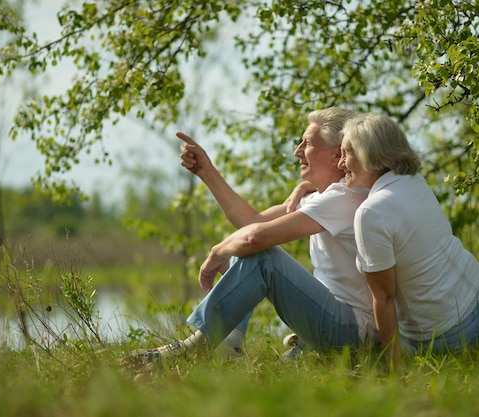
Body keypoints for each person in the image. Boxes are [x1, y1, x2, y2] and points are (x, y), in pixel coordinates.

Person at [132, 107, 375, 364]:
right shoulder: (321, 198)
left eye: (307, 143)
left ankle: (196, 348)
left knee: (261, 254)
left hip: (351, 333)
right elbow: (252, 222)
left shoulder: (344, 198)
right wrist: (206, 171)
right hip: (336, 321)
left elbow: (255, 237)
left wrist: (218, 251)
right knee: (252, 243)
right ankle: (227, 346)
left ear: (337, 153)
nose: (297, 151)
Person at [336, 112, 479, 367]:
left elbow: (384, 299)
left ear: (370, 152)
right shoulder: (413, 181)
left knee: (369, 343)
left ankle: (478, 337)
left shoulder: (370, 213)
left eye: (347, 153)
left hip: (450, 333)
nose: (340, 163)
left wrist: (393, 371)